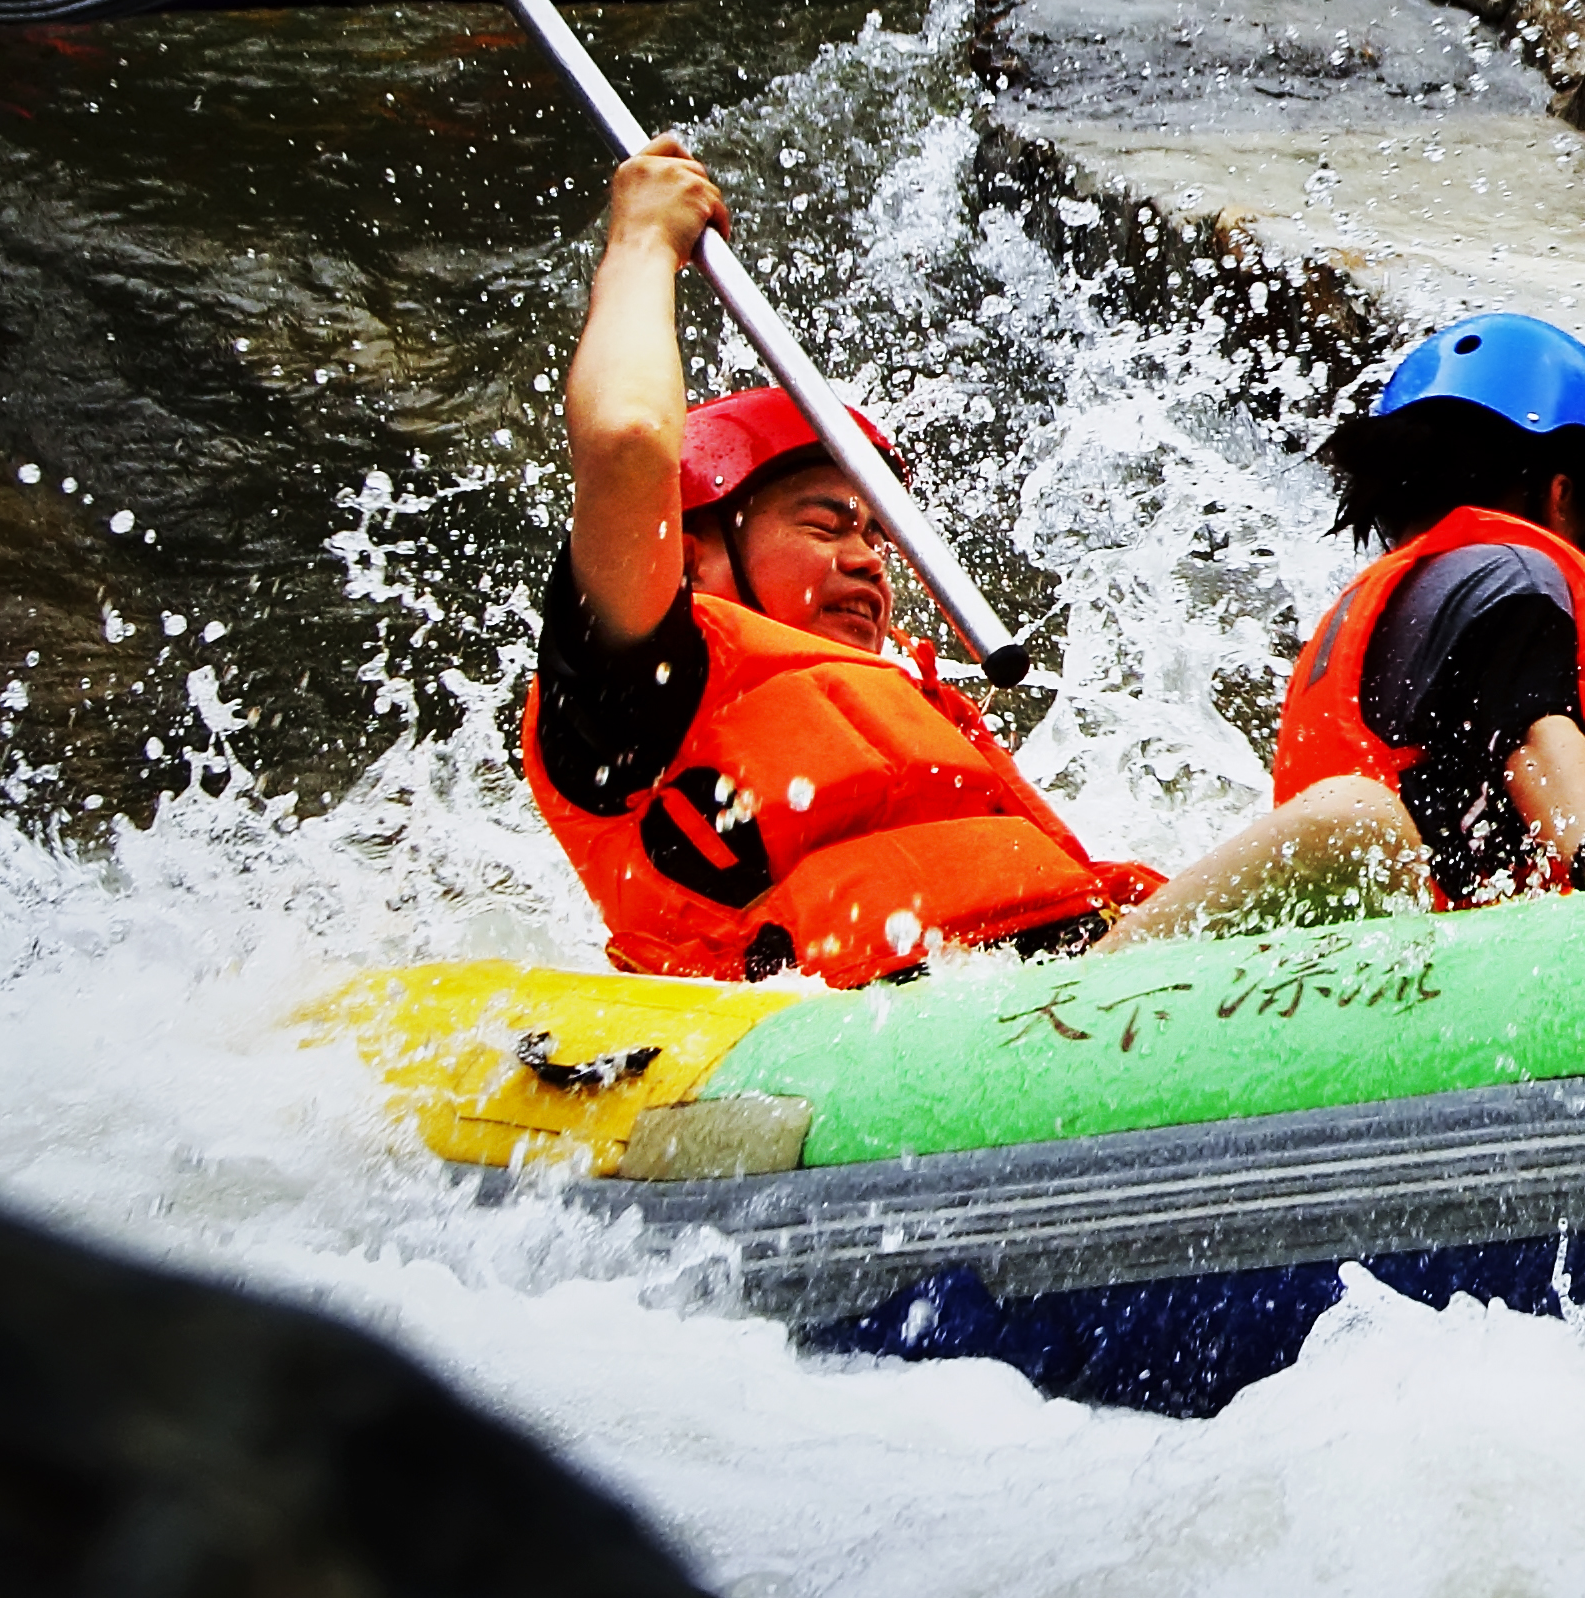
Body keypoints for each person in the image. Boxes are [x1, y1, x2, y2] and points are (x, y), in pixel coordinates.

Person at [530, 139, 1399, 981]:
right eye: (831, 525)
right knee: (1352, 821)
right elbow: (625, 442)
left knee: (1366, 833)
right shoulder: (631, 699)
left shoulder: (910, 702)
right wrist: (643, 241)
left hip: (1050, 990)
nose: (871, 562)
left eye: (877, 537)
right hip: (864, 1039)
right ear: (692, 560)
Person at [1271, 317, 1585, 903]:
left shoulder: (1401, 607)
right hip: (1413, 961)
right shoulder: (1510, 570)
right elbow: (1525, 721)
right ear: (1561, 498)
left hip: (1356, 955)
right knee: (1359, 816)